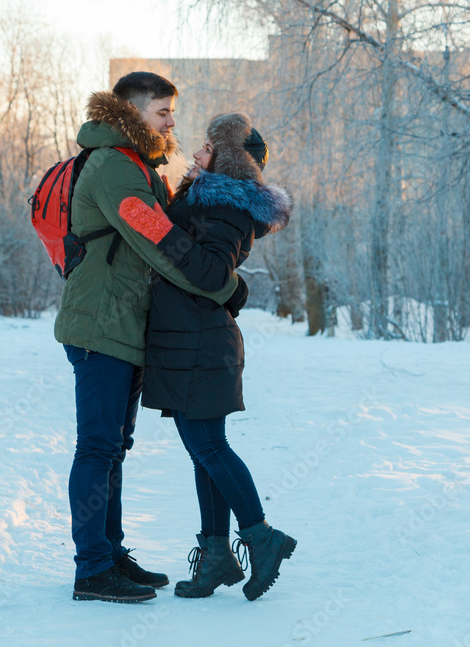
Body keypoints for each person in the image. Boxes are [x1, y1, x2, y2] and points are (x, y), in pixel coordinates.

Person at [54, 72, 242, 603]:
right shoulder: (115, 167)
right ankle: (92, 569)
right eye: (162, 111)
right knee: (97, 447)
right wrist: (224, 285)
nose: (171, 121)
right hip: (100, 326)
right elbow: (159, 241)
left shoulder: (138, 164)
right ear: (132, 111)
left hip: (124, 328)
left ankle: (110, 554)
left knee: (113, 448)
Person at [139, 112, 296, 602]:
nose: (196, 151)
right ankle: (217, 555)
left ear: (227, 160)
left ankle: (261, 537)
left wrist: (158, 229)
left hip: (200, 344)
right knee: (203, 449)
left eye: (208, 147)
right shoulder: (207, 199)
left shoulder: (225, 206)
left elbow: (210, 272)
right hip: (189, 340)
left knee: (209, 447)